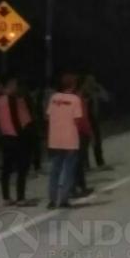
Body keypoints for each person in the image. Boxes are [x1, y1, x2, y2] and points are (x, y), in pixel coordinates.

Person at [46, 73, 84, 209]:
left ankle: (52, 199)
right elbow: (77, 119)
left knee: (55, 169)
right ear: (73, 85)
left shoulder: (54, 98)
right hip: (70, 139)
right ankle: (63, 199)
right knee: (68, 170)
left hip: (55, 138)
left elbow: (48, 115)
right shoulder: (75, 99)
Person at [0, 77, 36, 206]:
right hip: (18, 137)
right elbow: (19, 120)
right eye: (14, 84)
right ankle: (20, 198)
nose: (16, 87)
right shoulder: (15, 100)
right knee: (21, 168)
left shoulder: (0, 100)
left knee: (6, 169)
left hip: (6, 137)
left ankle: (6, 197)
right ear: (8, 85)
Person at [80, 74, 111, 170]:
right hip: (86, 119)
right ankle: (85, 165)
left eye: (93, 80)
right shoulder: (83, 92)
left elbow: (106, 98)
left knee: (97, 141)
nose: (92, 83)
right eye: (90, 81)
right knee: (85, 143)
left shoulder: (94, 90)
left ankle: (99, 162)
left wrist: (100, 88)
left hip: (94, 119)